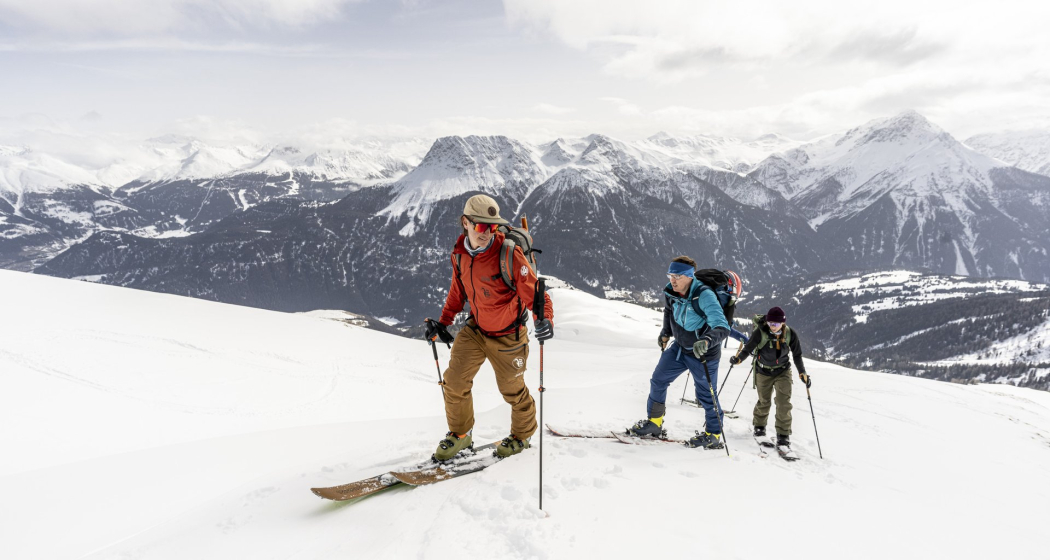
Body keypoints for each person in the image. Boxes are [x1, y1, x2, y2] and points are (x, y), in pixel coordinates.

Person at [424, 194, 554, 461]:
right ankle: (461, 435)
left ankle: (522, 435)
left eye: (492, 227)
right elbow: (457, 293)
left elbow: (537, 295)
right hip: (477, 329)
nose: (487, 233)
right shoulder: (460, 255)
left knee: (512, 389)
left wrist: (546, 319)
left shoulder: (509, 254)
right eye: (481, 226)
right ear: (466, 223)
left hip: (509, 335)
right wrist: (444, 322)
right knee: (454, 380)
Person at [629, 256, 730, 449]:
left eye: (677, 276)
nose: (672, 280)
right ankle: (654, 424)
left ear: (690, 276)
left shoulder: (704, 295)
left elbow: (722, 326)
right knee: (658, 379)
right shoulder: (671, 292)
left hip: (703, 354)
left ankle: (714, 435)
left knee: (706, 395)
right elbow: (668, 312)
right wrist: (665, 332)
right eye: (670, 275)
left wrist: (707, 340)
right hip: (680, 348)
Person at [729, 306, 810, 450]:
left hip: (783, 371)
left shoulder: (790, 334)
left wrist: (802, 372)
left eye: (776, 324)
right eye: (770, 323)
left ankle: (783, 435)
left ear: (783, 323)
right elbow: (748, 348)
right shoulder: (760, 332)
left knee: (783, 403)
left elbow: (797, 354)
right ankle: (759, 427)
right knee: (764, 401)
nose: (773, 326)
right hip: (763, 371)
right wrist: (739, 359)